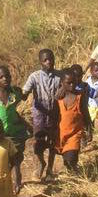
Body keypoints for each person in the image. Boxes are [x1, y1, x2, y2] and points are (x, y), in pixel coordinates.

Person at [0, 65, 31, 194]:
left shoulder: (14, 93)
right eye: (1, 77)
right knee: (3, 160)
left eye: (7, 76)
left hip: (15, 132)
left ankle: (17, 182)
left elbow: (22, 100)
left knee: (16, 158)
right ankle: (3, 184)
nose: (5, 79)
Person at [21, 48, 61, 181]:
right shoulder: (34, 76)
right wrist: (22, 94)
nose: (49, 62)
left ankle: (49, 169)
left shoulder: (59, 75)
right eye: (45, 60)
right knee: (38, 143)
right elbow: (25, 92)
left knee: (52, 143)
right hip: (39, 116)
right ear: (40, 62)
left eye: (51, 59)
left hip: (54, 114)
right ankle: (40, 164)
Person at [55, 69, 92, 173]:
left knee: (72, 156)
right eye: (68, 83)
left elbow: (85, 113)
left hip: (75, 133)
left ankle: (75, 172)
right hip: (61, 134)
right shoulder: (58, 98)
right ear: (62, 83)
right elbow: (54, 116)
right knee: (66, 158)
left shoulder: (80, 97)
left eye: (74, 82)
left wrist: (89, 129)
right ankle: (71, 170)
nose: (71, 85)